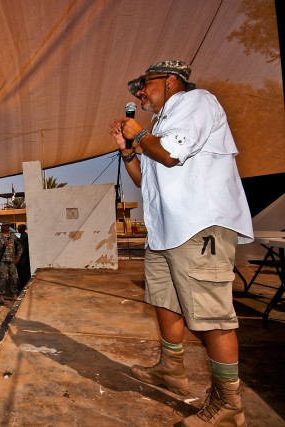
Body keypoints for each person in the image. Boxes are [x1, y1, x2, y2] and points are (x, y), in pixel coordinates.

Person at [109, 60, 253, 427]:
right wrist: (128, 150)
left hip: (198, 226)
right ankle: (171, 369)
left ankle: (228, 404)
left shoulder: (197, 102)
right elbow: (146, 180)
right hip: (166, 232)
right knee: (165, 302)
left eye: (143, 85)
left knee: (211, 317)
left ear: (170, 81)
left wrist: (139, 135)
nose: (139, 93)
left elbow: (171, 155)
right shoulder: (161, 127)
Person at [0, 223, 22, 305]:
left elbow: (20, 247)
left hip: (12, 261)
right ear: (2, 227)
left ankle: (14, 294)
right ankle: (1, 295)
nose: (7, 227)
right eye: (5, 226)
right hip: (3, 261)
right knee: (3, 278)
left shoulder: (13, 236)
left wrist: (17, 257)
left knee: (13, 278)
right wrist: (2, 245)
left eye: (8, 226)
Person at [17, 224, 31, 290]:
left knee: (23, 271)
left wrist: (19, 256)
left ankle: (24, 285)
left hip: (23, 257)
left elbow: (23, 248)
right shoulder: (23, 235)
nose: (18, 229)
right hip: (24, 256)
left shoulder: (24, 236)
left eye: (19, 228)